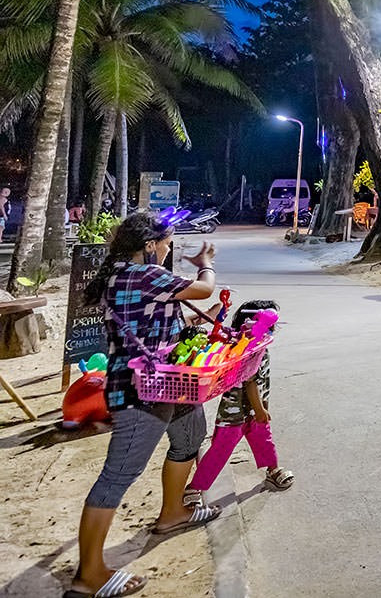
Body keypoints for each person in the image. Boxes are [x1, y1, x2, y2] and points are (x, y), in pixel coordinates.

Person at [71, 213, 220, 598]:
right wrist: (206, 266)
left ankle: (172, 513)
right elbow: (204, 289)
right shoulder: (141, 275)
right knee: (119, 474)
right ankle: (89, 574)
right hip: (141, 391)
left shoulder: (126, 274)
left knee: (191, 435)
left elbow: (153, 319)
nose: (169, 250)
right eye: (167, 244)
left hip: (170, 380)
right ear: (149, 245)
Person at [185, 301, 294, 503]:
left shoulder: (256, 345)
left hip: (252, 411)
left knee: (263, 441)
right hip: (236, 412)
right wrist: (260, 409)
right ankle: (195, 488)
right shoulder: (250, 348)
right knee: (221, 449)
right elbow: (250, 381)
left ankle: (273, 469)